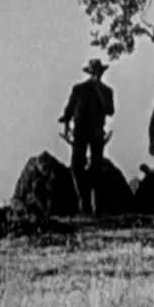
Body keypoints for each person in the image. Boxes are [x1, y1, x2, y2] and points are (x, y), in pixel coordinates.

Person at [59, 58, 115, 216]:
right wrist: (66, 123)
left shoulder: (107, 91)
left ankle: (96, 205)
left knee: (97, 167)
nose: (97, 75)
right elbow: (69, 109)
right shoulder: (79, 89)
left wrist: (99, 92)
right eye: (94, 72)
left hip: (97, 132)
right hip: (80, 131)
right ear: (90, 73)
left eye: (99, 72)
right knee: (76, 166)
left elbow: (110, 111)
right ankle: (83, 201)